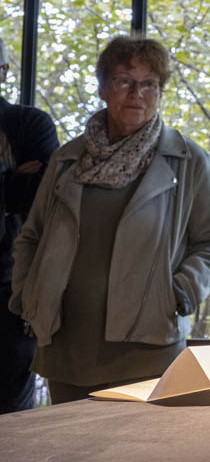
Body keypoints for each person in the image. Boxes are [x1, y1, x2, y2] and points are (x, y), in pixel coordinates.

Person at [9, 36, 210, 404]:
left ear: (160, 91)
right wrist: (28, 295)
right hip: (66, 350)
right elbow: (31, 237)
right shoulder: (67, 159)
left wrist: (180, 292)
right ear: (103, 88)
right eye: (124, 80)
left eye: (149, 84)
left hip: (149, 350)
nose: (136, 93)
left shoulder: (188, 160)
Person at [0, 39, 58, 412]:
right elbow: (23, 192)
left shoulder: (28, 123)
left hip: (10, 297)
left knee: (11, 425)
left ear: (4, 71)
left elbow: (48, 194)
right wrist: (10, 182)